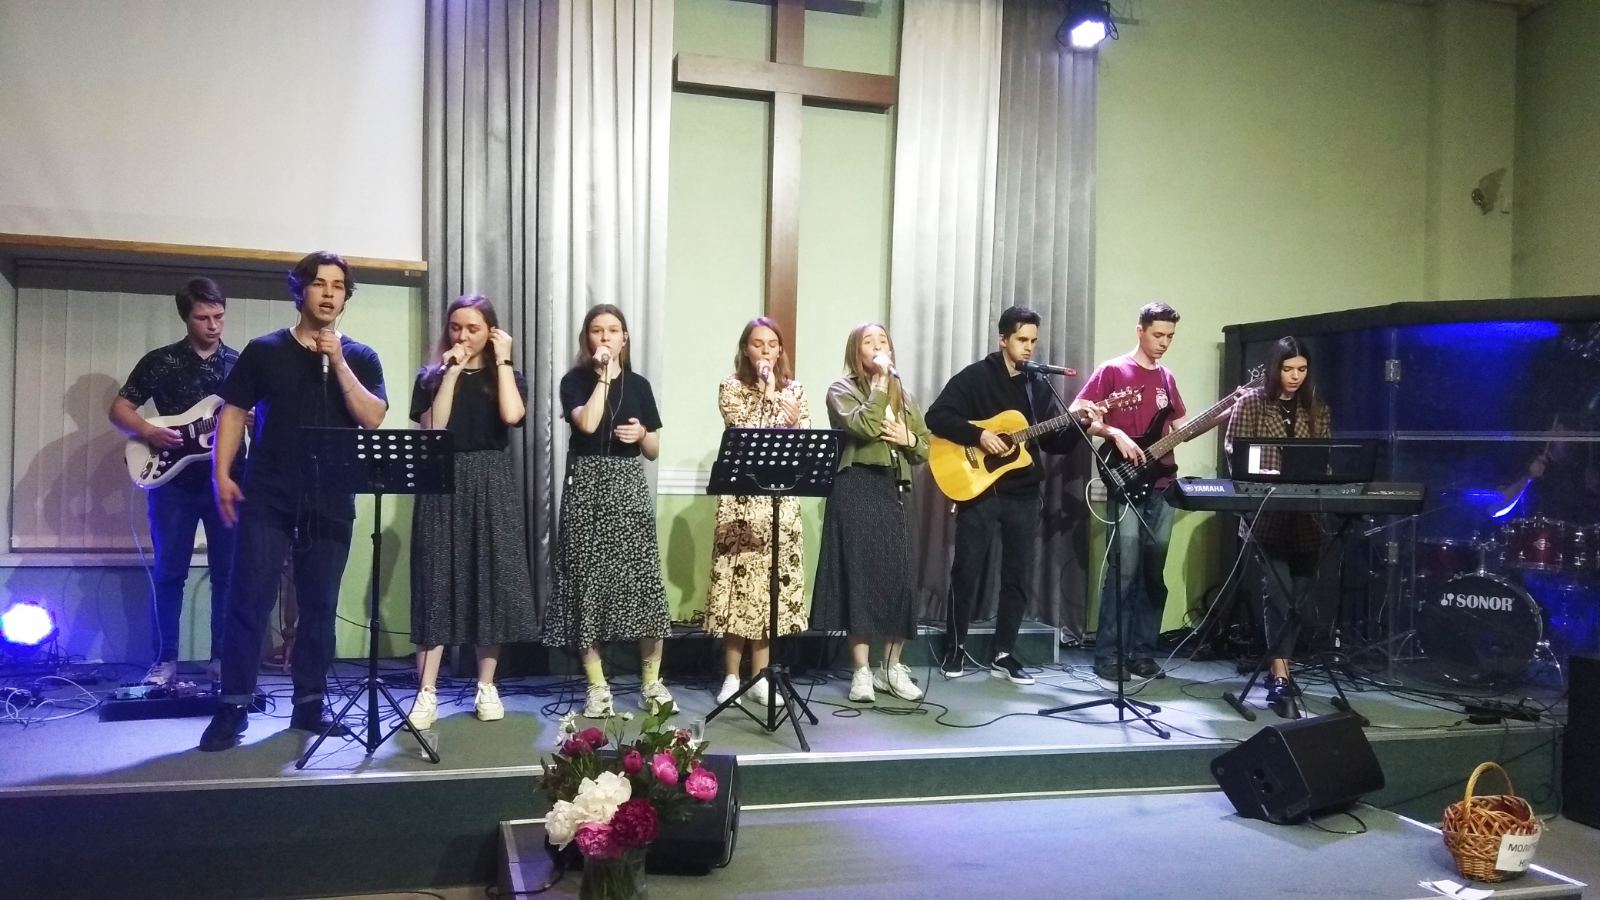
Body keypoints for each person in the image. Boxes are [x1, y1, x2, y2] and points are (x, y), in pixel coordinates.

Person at [198, 251, 388, 752]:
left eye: (338, 286)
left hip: (331, 496)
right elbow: (233, 412)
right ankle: (233, 706)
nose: (329, 293)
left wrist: (338, 360)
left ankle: (310, 703)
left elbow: (372, 417)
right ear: (300, 290)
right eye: (319, 284)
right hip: (269, 494)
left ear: (346, 297)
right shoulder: (265, 350)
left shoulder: (361, 356)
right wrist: (222, 475)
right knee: (250, 600)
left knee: (319, 607)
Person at [925, 306, 1095, 685]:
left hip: (1024, 493)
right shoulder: (975, 377)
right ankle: (956, 648)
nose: (1029, 347)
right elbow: (935, 417)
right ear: (1003, 339)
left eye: (1033, 340)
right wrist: (979, 435)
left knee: (1018, 575)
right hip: (980, 489)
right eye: (1021, 339)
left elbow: (1054, 444)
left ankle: (1004, 654)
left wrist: (1080, 423)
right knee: (966, 571)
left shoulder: (1038, 386)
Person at [405, 295, 537, 729]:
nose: (462, 336)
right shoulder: (430, 376)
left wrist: (503, 360)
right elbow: (435, 428)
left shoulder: (507, 375)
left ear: (490, 332)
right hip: (442, 481)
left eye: (473, 328)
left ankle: (486, 685)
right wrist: (450, 373)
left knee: (490, 582)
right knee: (436, 582)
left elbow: (512, 415)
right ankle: (426, 692)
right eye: (456, 327)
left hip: (490, 479)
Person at [542, 304, 673, 719]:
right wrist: (602, 377)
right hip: (587, 487)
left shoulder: (639, 384)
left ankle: (651, 682)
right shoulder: (574, 381)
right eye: (597, 331)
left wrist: (642, 433)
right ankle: (598, 686)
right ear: (588, 339)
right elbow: (587, 423)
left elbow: (653, 450)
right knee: (586, 583)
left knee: (644, 583)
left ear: (624, 339)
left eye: (613, 330)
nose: (605, 337)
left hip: (628, 487)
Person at [109, 277, 240, 688]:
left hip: (226, 481)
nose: (213, 325)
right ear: (186, 317)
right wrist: (149, 431)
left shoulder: (239, 364)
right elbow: (119, 409)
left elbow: (257, 416)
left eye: (219, 316)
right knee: (169, 572)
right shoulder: (160, 361)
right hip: (172, 483)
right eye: (203, 318)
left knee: (228, 574)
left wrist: (253, 419)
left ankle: (223, 660)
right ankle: (164, 660)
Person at [811, 323, 931, 704]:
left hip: (894, 488)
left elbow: (926, 447)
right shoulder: (841, 389)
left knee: (900, 579)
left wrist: (909, 438)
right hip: (856, 486)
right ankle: (861, 670)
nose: (878, 346)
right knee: (859, 578)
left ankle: (891, 666)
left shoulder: (904, 394)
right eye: (869, 341)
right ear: (856, 351)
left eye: (883, 341)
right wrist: (879, 386)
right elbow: (863, 426)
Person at [1074, 301, 1188, 684]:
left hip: (1162, 485)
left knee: (1153, 574)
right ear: (1140, 330)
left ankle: (1142, 653)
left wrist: (1221, 414)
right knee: (1124, 571)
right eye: (1158, 334)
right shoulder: (1113, 370)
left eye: (1170, 336)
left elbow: (1181, 426)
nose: (1164, 342)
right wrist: (1114, 432)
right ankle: (1109, 655)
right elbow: (1080, 414)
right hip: (1125, 483)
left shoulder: (1168, 379)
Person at [1223, 336, 1332, 717]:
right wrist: (1263, 473)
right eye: (1288, 369)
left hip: (1305, 517)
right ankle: (1280, 673)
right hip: (1266, 516)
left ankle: (1283, 666)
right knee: (1279, 594)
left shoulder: (1317, 408)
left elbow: (1324, 459)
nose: (1295, 376)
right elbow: (1234, 451)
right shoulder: (1252, 402)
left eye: (1301, 369)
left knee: (1299, 597)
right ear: (1275, 368)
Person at [704, 317, 810, 707]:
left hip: (780, 505)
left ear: (780, 350)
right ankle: (732, 677)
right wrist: (767, 394)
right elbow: (745, 430)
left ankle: (761, 678)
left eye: (772, 344)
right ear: (746, 350)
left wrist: (795, 422)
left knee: (768, 594)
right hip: (742, 503)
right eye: (757, 344)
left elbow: (805, 443)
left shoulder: (795, 391)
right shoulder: (731, 387)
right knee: (739, 589)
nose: (765, 350)